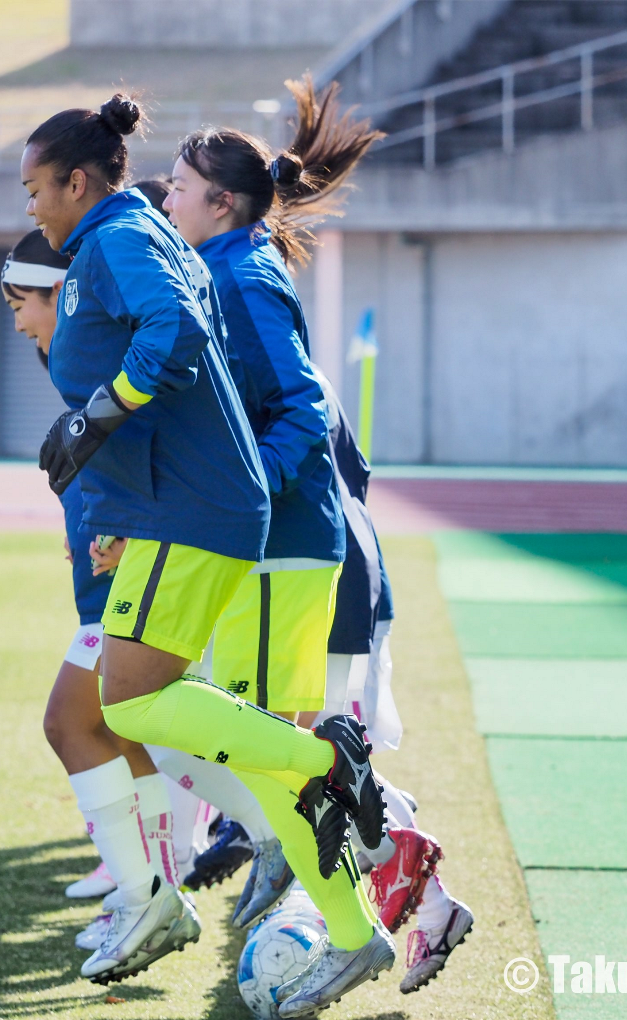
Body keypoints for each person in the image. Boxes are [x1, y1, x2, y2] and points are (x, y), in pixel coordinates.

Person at [23, 93, 391, 1007]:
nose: (29, 205)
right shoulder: (150, 244)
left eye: (34, 187)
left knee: (148, 711)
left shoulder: (138, 245)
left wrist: (98, 410)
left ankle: (341, 791)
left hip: (228, 527)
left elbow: (209, 357)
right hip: (190, 516)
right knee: (172, 726)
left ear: (77, 181)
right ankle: (349, 925)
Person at [160, 76, 386, 957]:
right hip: (276, 546)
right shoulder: (224, 264)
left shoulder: (243, 277)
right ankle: (321, 875)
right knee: (254, 737)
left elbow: (298, 407)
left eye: (177, 186)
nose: (166, 197)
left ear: (220, 201)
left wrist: (248, 496)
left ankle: (340, 875)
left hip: (279, 544)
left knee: (245, 736)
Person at [0, 229, 185, 954]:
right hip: (110, 588)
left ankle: (152, 894)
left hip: (134, 587)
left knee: (75, 725)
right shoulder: (77, 374)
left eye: (23, 303)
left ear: (62, 296)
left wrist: (122, 526)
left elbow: (148, 449)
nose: (17, 322)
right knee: (125, 732)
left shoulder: (107, 368)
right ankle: (153, 887)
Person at [311, 370, 476, 994]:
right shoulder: (248, 305)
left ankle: (408, 890)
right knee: (324, 763)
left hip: (325, 580)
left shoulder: (241, 294)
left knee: (314, 761)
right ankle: (429, 904)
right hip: (340, 569)